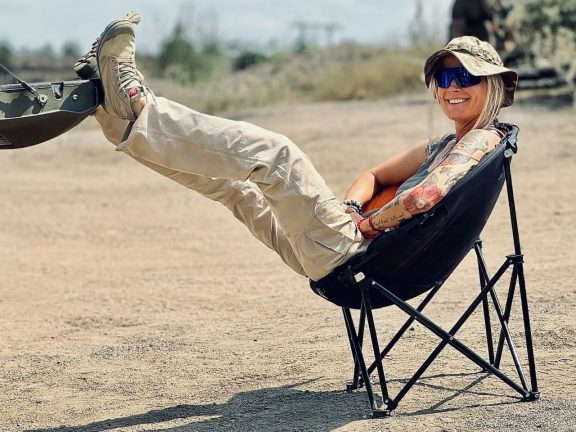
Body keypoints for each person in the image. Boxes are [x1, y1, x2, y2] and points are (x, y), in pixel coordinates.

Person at [75, 13, 517, 282]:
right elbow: (374, 176)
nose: (452, 87)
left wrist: (365, 225)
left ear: (493, 86)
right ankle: (119, 121)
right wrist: (351, 206)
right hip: (347, 252)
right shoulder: (446, 144)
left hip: (357, 254)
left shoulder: (481, 139)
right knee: (235, 189)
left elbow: (424, 196)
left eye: (466, 77)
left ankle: (136, 106)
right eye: (444, 77)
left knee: (276, 155)